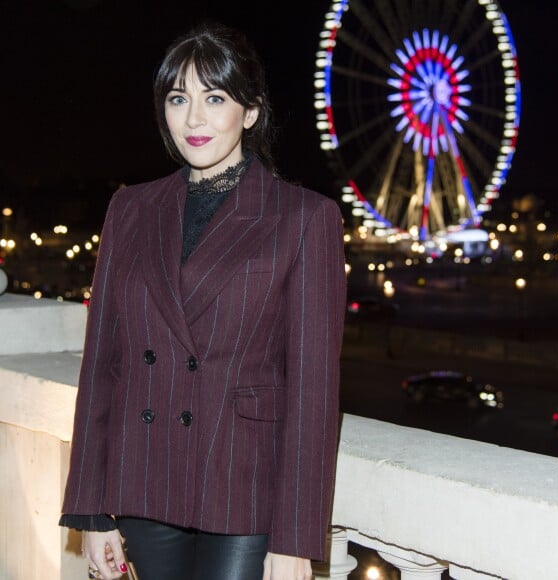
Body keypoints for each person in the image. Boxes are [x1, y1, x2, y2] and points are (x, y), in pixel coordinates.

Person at [59, 19, 346, 580]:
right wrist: (90, 510)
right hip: (147, 478)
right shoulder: (131, 210)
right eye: (178, 98)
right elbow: (103, 365)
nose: (193, 119)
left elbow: (314, 392)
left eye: (215, 98)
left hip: (243, 487)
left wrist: (295, 539)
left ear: (252, 110)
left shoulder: (305, 217)